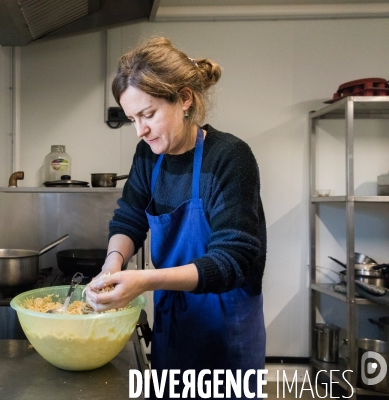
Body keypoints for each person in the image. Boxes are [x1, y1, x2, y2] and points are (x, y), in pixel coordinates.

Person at [85, 37, 266, 399]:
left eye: (148, 114)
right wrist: (112, 264)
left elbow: (233, 260)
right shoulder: (148, 155)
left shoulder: (230, 158)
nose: (140, 130)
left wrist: (145, 280)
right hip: (174, 325)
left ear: (184, 99)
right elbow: (130, 217)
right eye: (132, 119)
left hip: (225, 333)